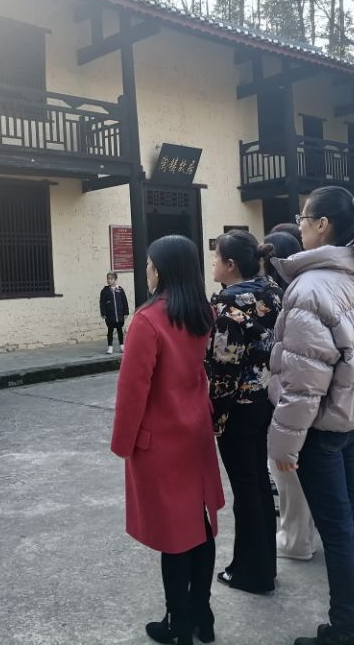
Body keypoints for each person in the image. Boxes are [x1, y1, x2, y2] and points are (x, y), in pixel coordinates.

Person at [268, 186, 354, 645]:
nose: (300, 226)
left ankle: (345, 630)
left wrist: (284, 447)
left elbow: (304, 380)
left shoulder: (311, 287)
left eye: (303, 219)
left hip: (323, 427)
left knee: (340, 531)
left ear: (323, 225)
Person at [111, 235, 224, 645]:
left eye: (149, 264)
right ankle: (201, 614)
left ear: (160, 269)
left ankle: (178, 624)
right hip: (196, 430)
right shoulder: (202, 312)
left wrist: (123, 443)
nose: (146, 270)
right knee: (200, 525)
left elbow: (133, 390)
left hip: (161, 438)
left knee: (175, 536)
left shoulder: (148, 320)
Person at [205, 230, 284, 594]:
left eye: (217, 257)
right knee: (259, 485)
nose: (213, 263)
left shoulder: (229, 309)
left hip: (237, 409)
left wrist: (215, 419)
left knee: (246, 490)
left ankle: (251, 572)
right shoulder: (273, 294)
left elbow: (224, 372)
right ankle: (264, 565)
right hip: (266, 400)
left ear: (231, 265)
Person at [261, 231, 319, 561]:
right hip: (311, 394)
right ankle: (302, 535)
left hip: (288, 393)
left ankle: (296, 540)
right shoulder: (304, 289)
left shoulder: (280, 297)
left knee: (286, 468)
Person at [99, 271, 130, 354]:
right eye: (108, 279)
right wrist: (103, 313)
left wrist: (126, 312)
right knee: (110, 331)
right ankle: (110, 347)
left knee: (120, 330)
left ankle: (122, 345)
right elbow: (102, 302)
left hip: (119, 315)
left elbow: (124, 301)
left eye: (111, 279)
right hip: (110, 315)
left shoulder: (120, 290)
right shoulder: (105, 291)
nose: (109, 280)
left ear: (115, 279)